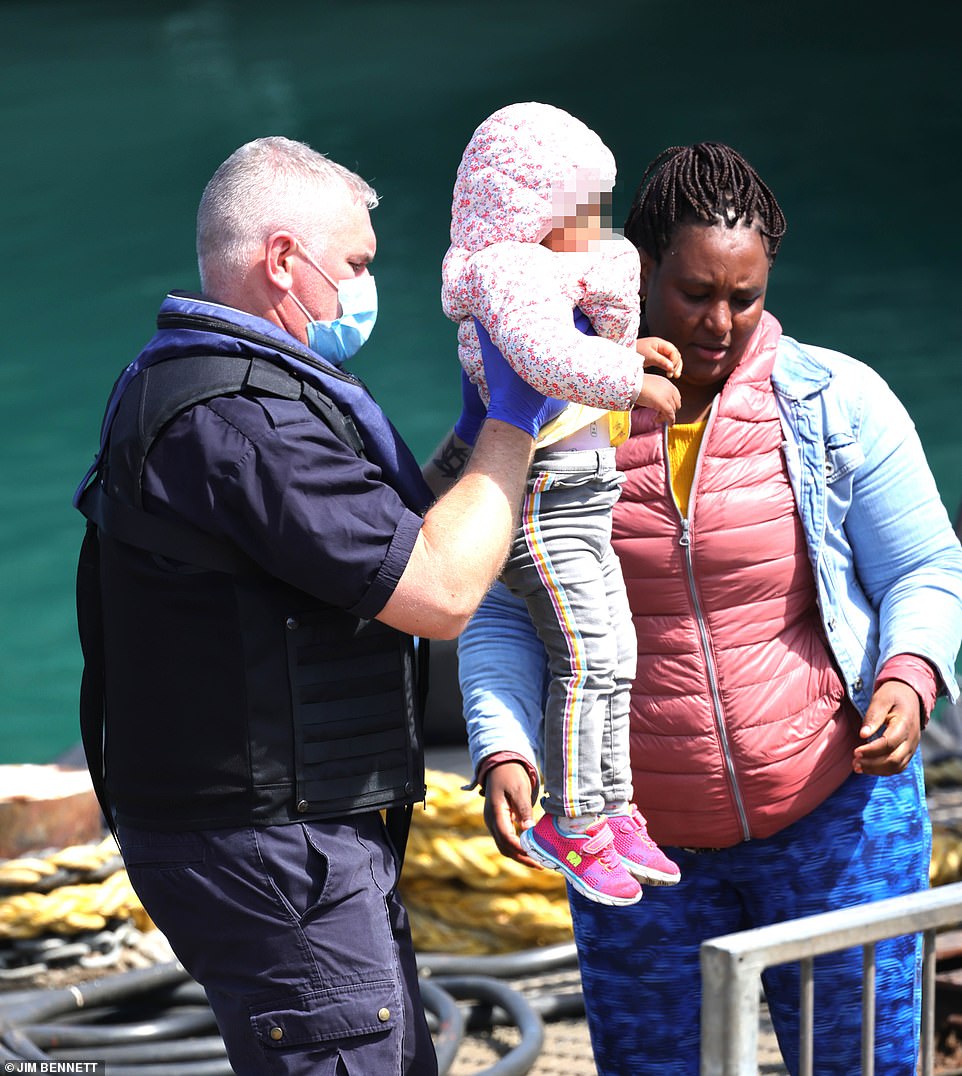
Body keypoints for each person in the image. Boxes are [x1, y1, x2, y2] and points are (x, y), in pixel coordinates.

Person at [458, 141, 962, 1074]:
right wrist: (502, 740)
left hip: (835, 826)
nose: (722, 322)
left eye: (746, 296)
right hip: (635, 847)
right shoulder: (551, 413)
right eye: (696, 295)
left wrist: (911, 673)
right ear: (636, 270)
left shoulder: (837, 402)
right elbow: (499, 603)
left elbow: (926, 567)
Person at [72, 135, 564, 1076]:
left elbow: (365, 544)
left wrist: (466, 439)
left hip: (266, 835)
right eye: (357, 264)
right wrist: (514, 420)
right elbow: (442, 591)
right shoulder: (245, 422)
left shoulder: (187, 379)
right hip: (275, 851)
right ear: (284, 260)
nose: (368, 286)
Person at [441, 101, 682, 905]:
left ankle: (611, 806)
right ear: (532, 212)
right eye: (583, 211)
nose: (597, 225)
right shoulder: (509, 272)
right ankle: (573, 821)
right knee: (587, 657)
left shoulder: (548, 275)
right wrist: (630, 379)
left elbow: (567, 344)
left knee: (618, 653)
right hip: (543, 501)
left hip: (582, 497)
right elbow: (546, 355)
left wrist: (622, 348)